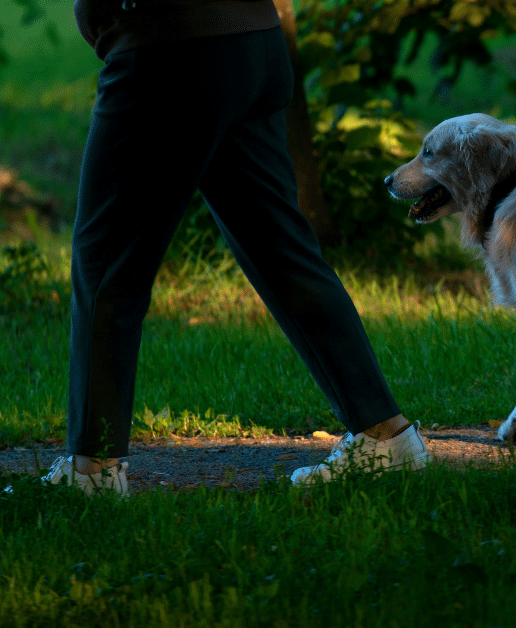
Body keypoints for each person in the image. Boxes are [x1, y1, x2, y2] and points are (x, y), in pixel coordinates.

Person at [40, 0, 428, 495]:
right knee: (281, 252)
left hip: (167, 53)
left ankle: (90, 473)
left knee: (107, 264)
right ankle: (385, 436)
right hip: (253, 44)